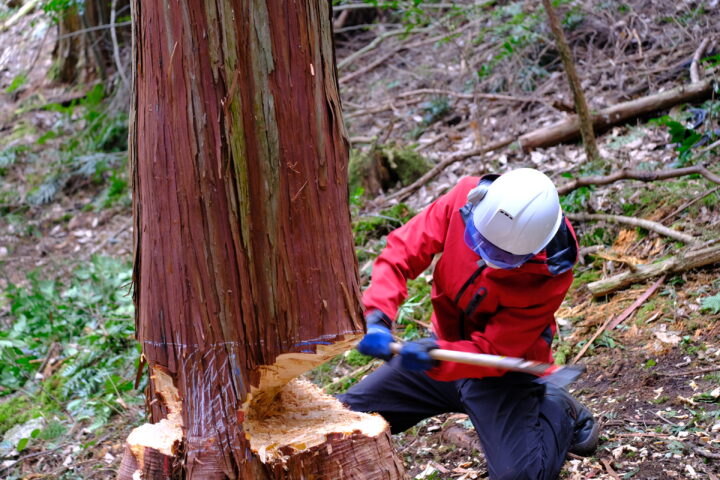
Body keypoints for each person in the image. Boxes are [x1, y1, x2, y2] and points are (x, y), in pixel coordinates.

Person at [337, 168, 599, 480]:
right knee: (342, 419)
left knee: (518, 476)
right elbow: (401, 252)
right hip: (440, 351)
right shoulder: (464, 197)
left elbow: (493, 347)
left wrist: (437, 356)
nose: (486, 257)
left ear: (532, 251)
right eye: (481, 243)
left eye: (500, 255)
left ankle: (559, 412)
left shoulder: (551, 274)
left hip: (500, 371)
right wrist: (377, 315)